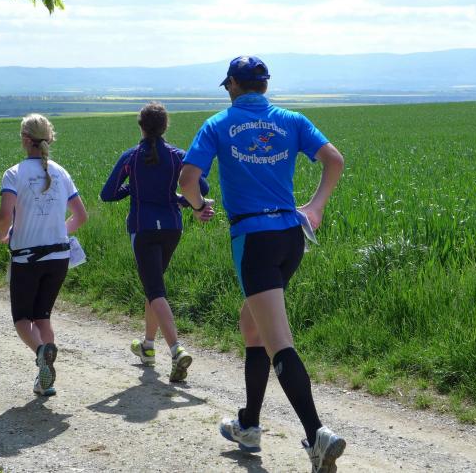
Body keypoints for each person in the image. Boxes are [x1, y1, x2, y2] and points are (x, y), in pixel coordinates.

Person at [179, 56, 346, 473]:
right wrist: (316, 207)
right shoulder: (291, 120)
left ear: (233, 85)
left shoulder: (218, 124)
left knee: (278, 341)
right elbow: (335, 160)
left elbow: (187, 179)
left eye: (228, 86)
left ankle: (317, 435)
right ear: (265, 86)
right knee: (251, 325)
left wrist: (198, 206)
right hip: (290, 236)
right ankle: (249, 425)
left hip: (254, 241)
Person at [100, 102, 213, 382]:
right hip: (172, 228)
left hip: (143, 228)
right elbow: (201, 187)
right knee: (154, 286)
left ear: (141, 126)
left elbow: (108, 194)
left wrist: (133, 188)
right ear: (165, 126)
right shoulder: (178, 156)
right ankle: (148, 346)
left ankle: (176, 350)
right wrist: (178, 198)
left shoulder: (131, 157)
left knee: (155, 289)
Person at [0, 114, 88, 396]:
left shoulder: (14, 173)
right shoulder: (61, 172)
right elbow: (81, 216)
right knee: (43, 317)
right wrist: (58, 231)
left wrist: (3, 234)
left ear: (25, 140)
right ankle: (44, 380)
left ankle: (41, 352)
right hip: (59, 257)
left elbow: (4, 214)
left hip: (27, 258)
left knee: (22, 320)